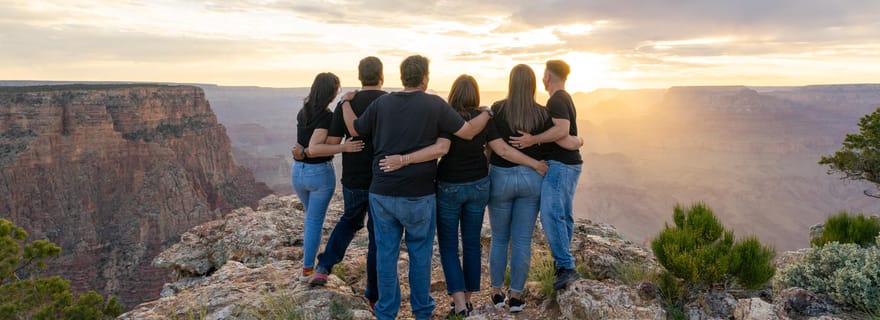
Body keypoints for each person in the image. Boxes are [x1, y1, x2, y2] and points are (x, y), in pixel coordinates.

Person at [341, 55, 492, 320]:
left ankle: (387, 312)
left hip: (383, 192)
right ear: (425, 77)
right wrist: (488, 112)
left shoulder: (381, 103)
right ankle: (422, 311)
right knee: (419, 253)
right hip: (418, 194)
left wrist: (344, 101)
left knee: (386, 255)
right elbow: (466, 133)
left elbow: (355, 129)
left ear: (402, 77)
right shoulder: (434, 104)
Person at [295, 57, 385, 310]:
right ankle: (373, 295)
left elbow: (332, 141)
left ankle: (323, 266)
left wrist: (305, 152)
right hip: (383, 177)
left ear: (360, 76)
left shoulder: (348, 102)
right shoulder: (389, 101)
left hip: (354, 176)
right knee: (377, 235)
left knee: (350, 220)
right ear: (381, 76)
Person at [509, 60, 584, 290]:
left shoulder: (557, 99)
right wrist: (577, 141)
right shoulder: (565, 97)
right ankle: (563, 263)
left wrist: (534, 139)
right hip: (570, 165)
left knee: (551, 214)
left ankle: (566, 267)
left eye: (544, 75)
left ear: (548, 77)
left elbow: (562, 130)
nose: (542, 79)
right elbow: (569, 134)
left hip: (560, 166)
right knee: (564, 215)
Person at [485, 64, 553, 313]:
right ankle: (515, 297)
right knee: (522, 240)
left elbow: (496, 148)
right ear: (533, 84)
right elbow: (548, 150)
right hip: (531, 180)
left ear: (511, 83)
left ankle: (495, 293)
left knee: (500, 238)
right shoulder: (543, 114)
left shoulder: (498, 109)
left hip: (501, 178)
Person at [291, 72, 358, 281]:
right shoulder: (326, 116)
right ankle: (308, 270)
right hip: (318, 173)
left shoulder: (304, 111)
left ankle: (308, 266)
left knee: (311, 218)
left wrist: (304, 151)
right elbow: (315, 147)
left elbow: (304, 145)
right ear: (332, 91)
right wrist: (345, 147)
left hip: (298, 172)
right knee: (313, 221)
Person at [434, 75, 490, 318]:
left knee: (448, 245)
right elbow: (491, 148)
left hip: (449, 184)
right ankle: (468, 300)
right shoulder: (484, 118)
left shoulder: (446, 116)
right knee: (471, 243)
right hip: (478, 183)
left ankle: (458, 305)